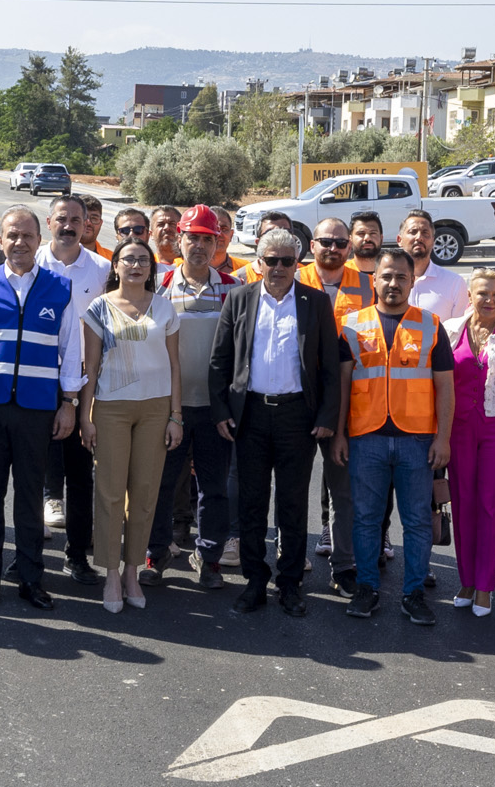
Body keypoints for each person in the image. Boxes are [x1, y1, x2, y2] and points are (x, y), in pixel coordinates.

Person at [0, 207, 83, 610]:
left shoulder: (60, 288)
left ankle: (29, 578)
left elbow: (70, 351)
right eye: (11, 235)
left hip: (37, 409)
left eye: (27, 235)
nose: (19, 242)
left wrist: (69, 404)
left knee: (28, 500)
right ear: (0, 240)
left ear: (39, 241)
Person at [210, 227, 341, 618]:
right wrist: (221, 412)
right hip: (249, 415)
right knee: (251, 503)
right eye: (272, 260)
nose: (279, 268)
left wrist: (326, 417)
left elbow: (331, 369)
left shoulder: (315, 302)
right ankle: (254, 580)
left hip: (296, 417)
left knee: (292, 503)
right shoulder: (239, 298)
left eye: (288, 261)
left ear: (297, 264)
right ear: (260, 262)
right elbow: (219, 361)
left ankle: (289, 584)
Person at [336, 247, 457, 626]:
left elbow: (446, 389)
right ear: (375, 280)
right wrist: (339, 434)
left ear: (412, 280)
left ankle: (414, 593)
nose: (392, 283)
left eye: (401, 277)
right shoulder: (352, 325)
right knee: (366, 519)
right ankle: (367, 588)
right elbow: (342, 386)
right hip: (366, 438)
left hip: (417, 440)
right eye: (386, 276)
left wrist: (443, 439)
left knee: (418, 521)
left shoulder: (431, 325)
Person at [78, 237, 184, 613]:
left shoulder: (165, 309)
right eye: (128, 259)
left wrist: (176, 416)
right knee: (109, 492)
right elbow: (90, 369)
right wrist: (84, 417)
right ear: (116, 266)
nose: (136, 265)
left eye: (143, 260)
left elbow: (174, 366)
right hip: (110, 408)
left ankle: (132, 572)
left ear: (151, 268)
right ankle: (109, 574)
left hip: (156, 409)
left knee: (144, 492)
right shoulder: (98, 309)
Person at [150, 204, 240, 586]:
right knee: (161, 485)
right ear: (179, 240)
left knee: (213, 488)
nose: (199, 246)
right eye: (193, 238)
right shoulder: (160, 285)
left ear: (217, 242)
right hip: (170, 408)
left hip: (214, 409)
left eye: (207, 239)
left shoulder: (234, 288)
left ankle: (209, 557)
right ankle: (155, 555)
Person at [39, 194, 114, 578]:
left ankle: (77, 555)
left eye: (76, 220)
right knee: (30, 468)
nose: (69, 226)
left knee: (81, 470)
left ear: (88, 225)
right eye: (61, 219)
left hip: (84, 381)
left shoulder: (102, 270)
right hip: (35, 379)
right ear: (48, 222)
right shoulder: (30, 263)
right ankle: (30, 553)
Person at [441, 268, 495, 617]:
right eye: (482, 294)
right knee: (462, 502)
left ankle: (485, 586)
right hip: (458, 427)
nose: (489, 300)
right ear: (470, 296)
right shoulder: (449, 330)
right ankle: (467, 580)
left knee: (490, 505)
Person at [302, 215, 378, 588]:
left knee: (344, 491)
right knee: (292, 487)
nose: (332, 248)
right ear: (312, 245)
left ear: (349, 247)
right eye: (325, 241)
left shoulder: (370, 285)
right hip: (297, 398)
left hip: (349, 401)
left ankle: (345, 566)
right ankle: (290, 560)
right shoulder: (291, 276)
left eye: (339, 242)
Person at [394, 209, 467, 320]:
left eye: (425, 233)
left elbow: (459, 331)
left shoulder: (454, 283)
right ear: (399, 240)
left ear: (433, 241)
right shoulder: (387, 282)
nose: (419, 237)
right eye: (413, 232)